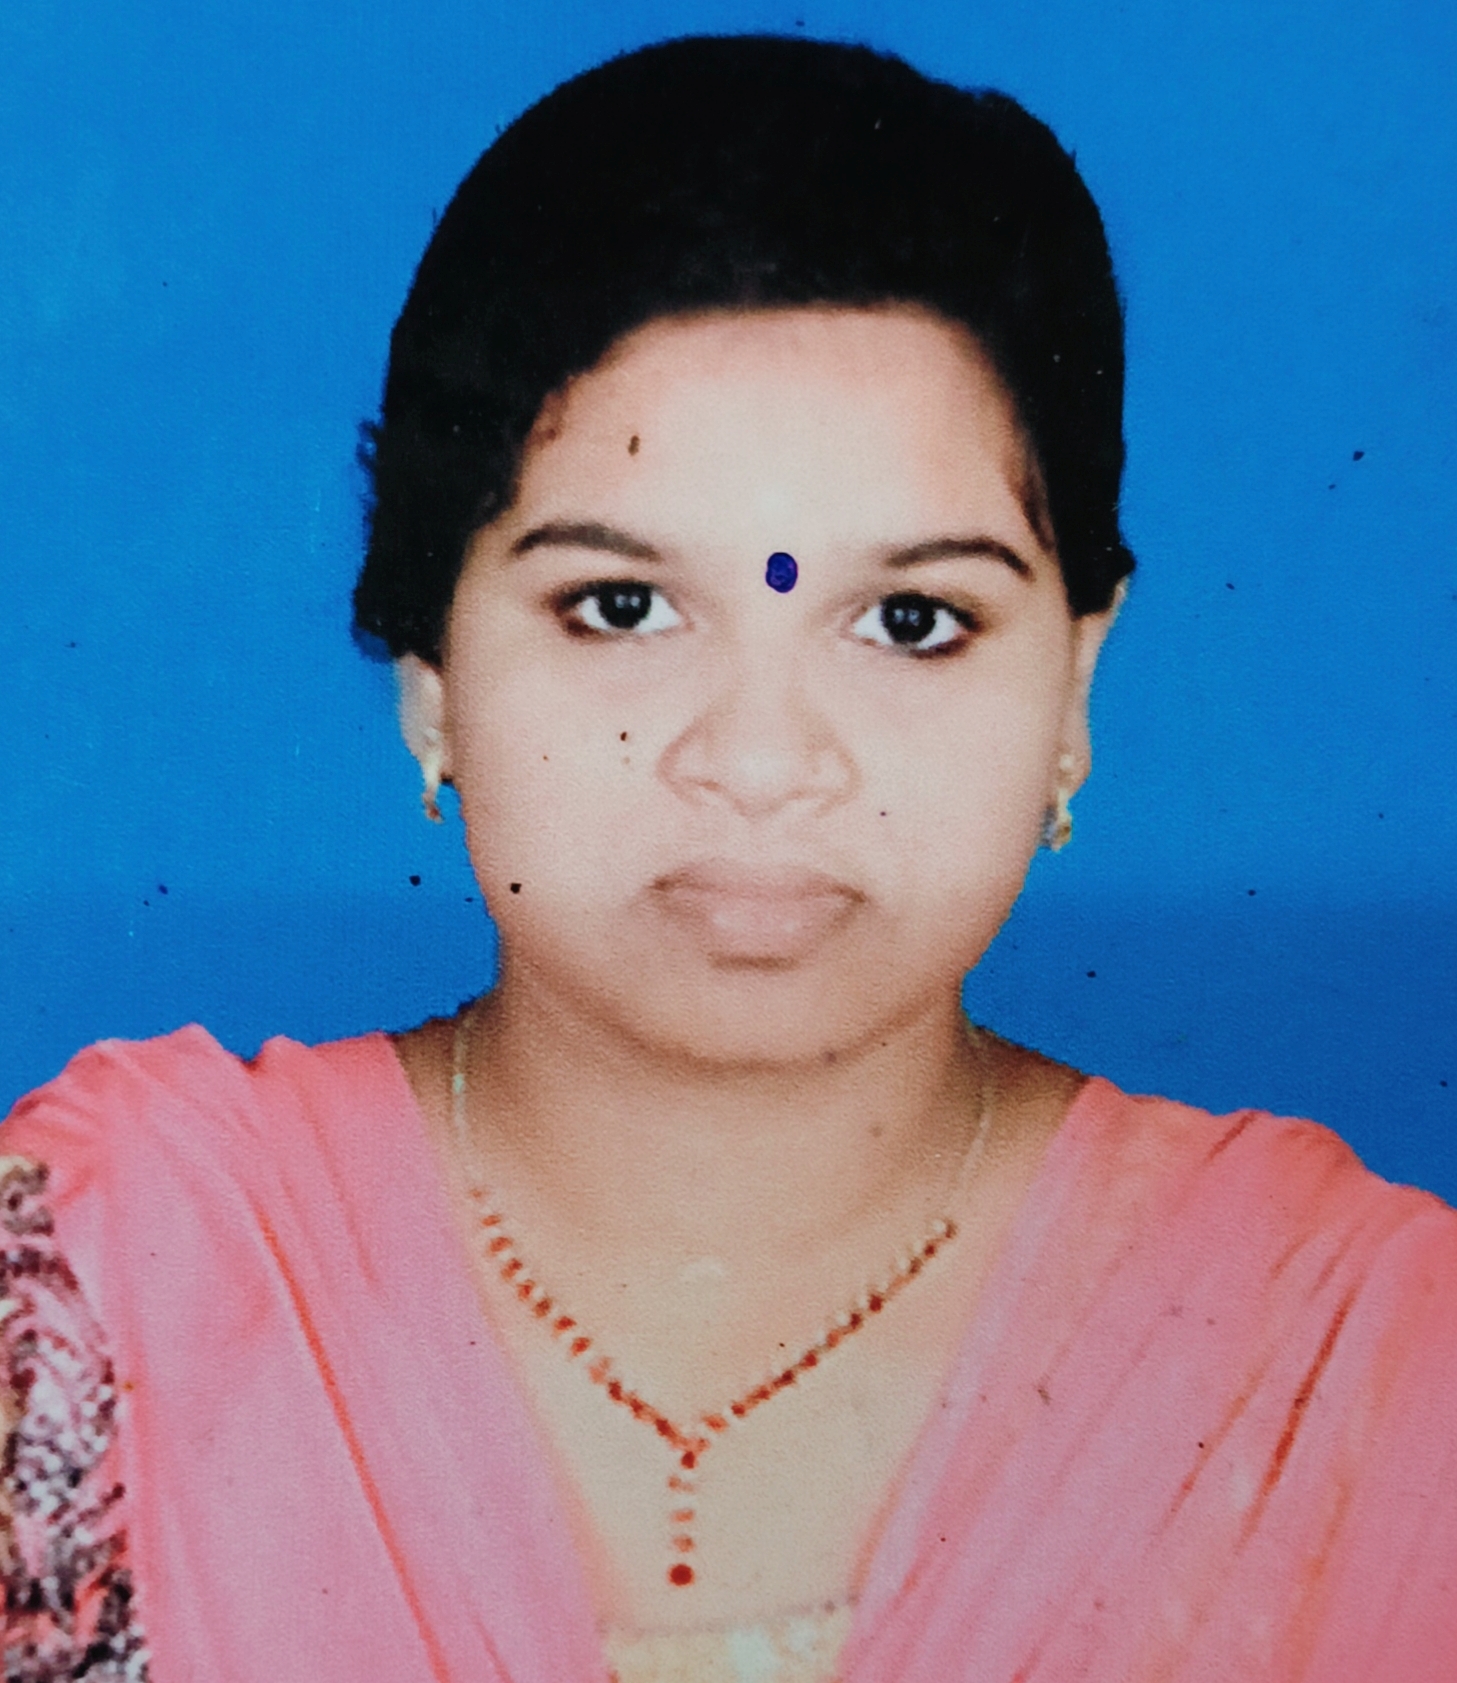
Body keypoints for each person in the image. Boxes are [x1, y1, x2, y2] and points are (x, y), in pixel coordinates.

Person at [2, 33, 1453, 1683]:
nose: (760, 763)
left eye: (911, 621)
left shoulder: (1357, 1363)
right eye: (620, 607)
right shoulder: (100, 1294)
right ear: (430, 679)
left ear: (1073, 686)